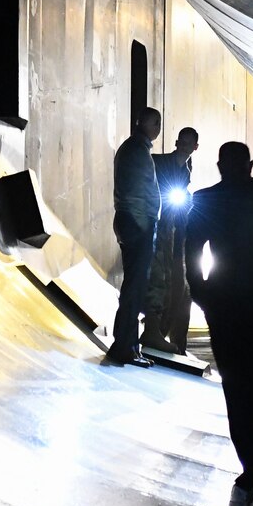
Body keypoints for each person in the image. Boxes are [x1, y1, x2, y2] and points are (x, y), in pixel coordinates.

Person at [184, 142, 253, 483]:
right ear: (250, 164)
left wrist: (203, 295)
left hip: (225, 299)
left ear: (220, 166)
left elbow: (190, 255)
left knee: (235, 383)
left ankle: (250, 460)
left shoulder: (205, 200)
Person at [104, 107, 161, 366]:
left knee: (132, 286)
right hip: (137, 223)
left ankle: (126, 343)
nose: (157, 128)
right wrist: (148, 225)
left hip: (128, 221)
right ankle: (125, 346)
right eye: (155, 123)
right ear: (148, 125)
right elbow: (141, 194)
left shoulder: (131, 149)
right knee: (135, 287)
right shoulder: (138, 152)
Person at [142, 125, 200, 353]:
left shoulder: (187, 167)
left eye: (188, 143)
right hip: (158, 227)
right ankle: (154, 331)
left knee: (176, 285)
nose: (183, 146)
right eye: (181, 141)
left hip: (173, 230)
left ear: (195, 147)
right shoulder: (159, 162)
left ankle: (167, 335)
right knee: (160, 279)